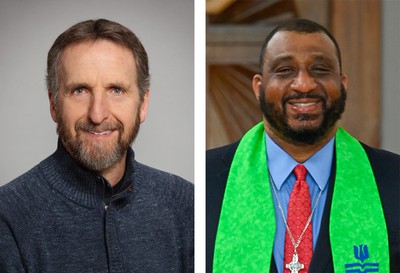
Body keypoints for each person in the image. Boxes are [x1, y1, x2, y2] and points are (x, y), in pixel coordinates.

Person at [0, 19, 193, 273]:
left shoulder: (187, 204)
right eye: (80, 90)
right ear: (53, 104)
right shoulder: (8, 216)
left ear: (143, 104)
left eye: (116, 90)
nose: (98, 114)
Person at [206, 18, 399, 273]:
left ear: (342, 84)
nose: (304, 84)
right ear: (259, 87)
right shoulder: (205, 181)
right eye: (285, 70)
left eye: (320, 69)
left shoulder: (394, 179)